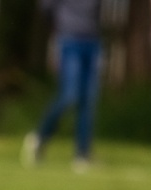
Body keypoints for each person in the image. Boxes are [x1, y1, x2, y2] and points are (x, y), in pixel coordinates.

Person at [21, 0, 104, 171]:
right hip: (69, 40)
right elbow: (46, 8)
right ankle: (40, 136)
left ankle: (82, 155)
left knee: (88, 100)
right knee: (70, 95)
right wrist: (58, 31)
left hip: (92, 41)